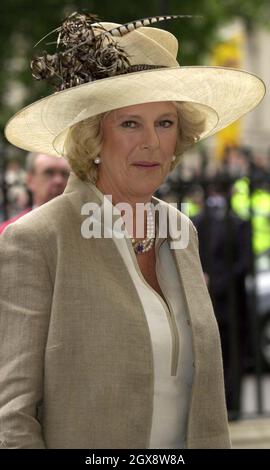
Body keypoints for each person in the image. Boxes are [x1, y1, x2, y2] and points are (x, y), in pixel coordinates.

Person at [0, 12, 265, 449]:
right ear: (93, 137)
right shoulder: (37, 240)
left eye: (165, 122)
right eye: (129, 123)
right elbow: (11, 418)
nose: (152, 143)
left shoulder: (180, 230)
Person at [0, 152, 70, 234]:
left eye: (65, 174)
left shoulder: (84, 230)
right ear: (30, 180)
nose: (59, 181)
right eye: (49, 172)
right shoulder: (7, 233)